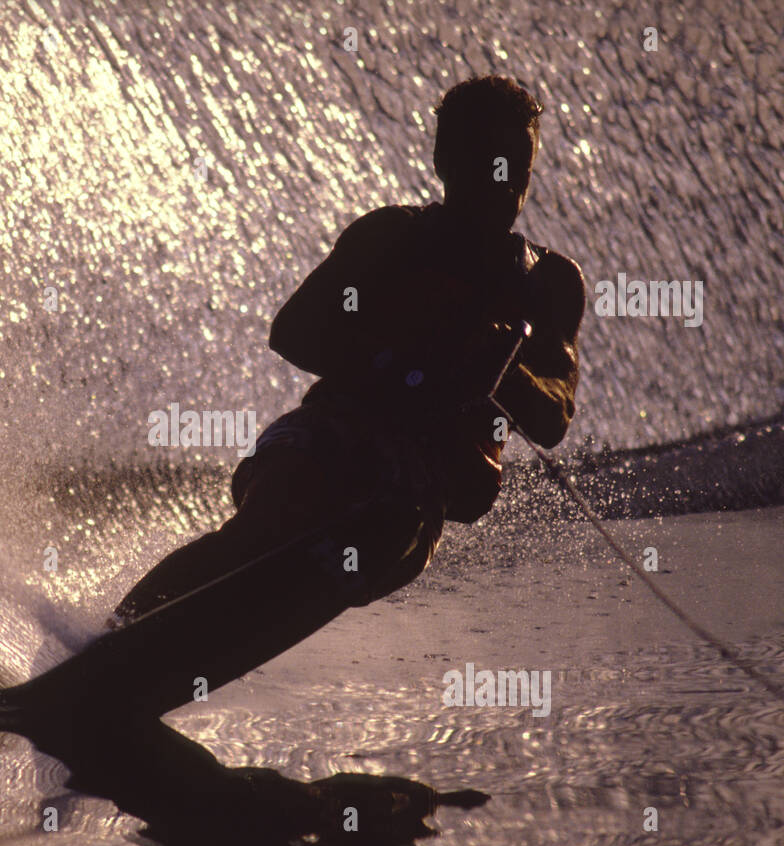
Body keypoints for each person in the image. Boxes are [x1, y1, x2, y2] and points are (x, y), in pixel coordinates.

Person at [110, 74, 585, 631]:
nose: (504, 185)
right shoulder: (391, 236)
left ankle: (195, 639)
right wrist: (402, 360)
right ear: (443, 160)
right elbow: (293, 331)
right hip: (326, 437)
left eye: (518, 168)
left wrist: (502, 368)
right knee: (260, 534)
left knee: (358, 539)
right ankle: (109, 640)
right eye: (488, 162)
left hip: (417, 491)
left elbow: (554, 414)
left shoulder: (547, 282)